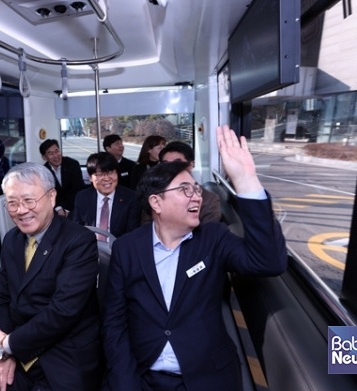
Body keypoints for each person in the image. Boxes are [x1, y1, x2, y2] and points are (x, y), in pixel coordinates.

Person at [101, 125, 288, 391]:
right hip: (142, 376)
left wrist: (246, 181)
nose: (197, 198)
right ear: (156, 203)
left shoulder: (213, 238)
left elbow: (269, 262)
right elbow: (114, 322)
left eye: (197, 190)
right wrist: (125, 381)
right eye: (185, 190)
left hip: (206, 376)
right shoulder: (127, 248)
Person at [0, 162, 102, 391]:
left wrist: (6, 347)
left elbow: (62, 313)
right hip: (21, 343)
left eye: (28, 200)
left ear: (52, 197)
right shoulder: (12, 240)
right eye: (12, 203)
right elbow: (3, 298)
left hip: (64, 352)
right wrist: (3, 348)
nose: (21, 210)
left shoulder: (78, 241)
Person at [73, 152, 141, 240]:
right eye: (100, 174)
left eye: (111, 172)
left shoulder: (131, 197)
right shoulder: (82, 197)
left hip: (118, 248)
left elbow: (132, 234)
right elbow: (77, 229)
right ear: (90, 177)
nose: (107, 178)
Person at [159, 141, 221, 224]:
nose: (170, 168)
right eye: (166, 164)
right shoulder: (155, 195)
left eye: (176, 163)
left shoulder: (209, 200)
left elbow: (209, 234)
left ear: (191, 165)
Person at [39, 139, 84, 218]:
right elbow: (47, 194)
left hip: (75, 204)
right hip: (55, 206)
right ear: (44, 157)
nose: (56, 155)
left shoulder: (72, 164)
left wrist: (67, 209)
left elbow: (77, 189)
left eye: (57, 151)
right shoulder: (44, 171)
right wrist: (59, 208)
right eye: (50, 153)